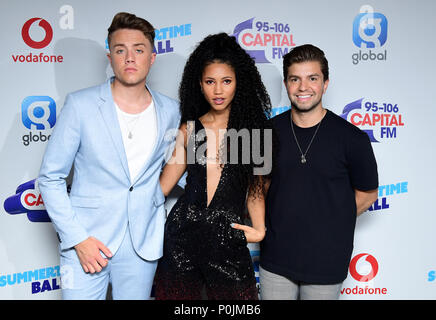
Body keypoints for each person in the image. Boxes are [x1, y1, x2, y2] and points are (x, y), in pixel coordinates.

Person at [37, 12, 180, 300]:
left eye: (138, 50)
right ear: (110, 56)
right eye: (120, 50)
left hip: (142, 243)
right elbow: (50, 178)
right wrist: (78, 239)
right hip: (87, 241)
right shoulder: (80, 105)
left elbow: (180, 170)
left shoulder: (171, 110)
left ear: (152, 57)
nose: (130, 58)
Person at [154, 33, 274, 300]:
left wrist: (260, 228)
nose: (218, 90)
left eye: (226, 81)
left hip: (228, 238)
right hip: (182, 238)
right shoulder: (189, 129)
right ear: (200, 84)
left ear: (238, 83)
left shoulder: (255, 132)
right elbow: (162, 188)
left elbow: (255, 189)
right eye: (210, 82)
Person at [259, 44, 378, 300]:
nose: (303, 87)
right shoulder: (267, 133)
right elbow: (260, 187)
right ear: (286, 84)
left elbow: (367, 195)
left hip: (327, 261)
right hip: (276, 260)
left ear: (325, 84)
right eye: (295, 79)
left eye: (312, 78)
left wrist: (330, 219)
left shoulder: (352, 139)